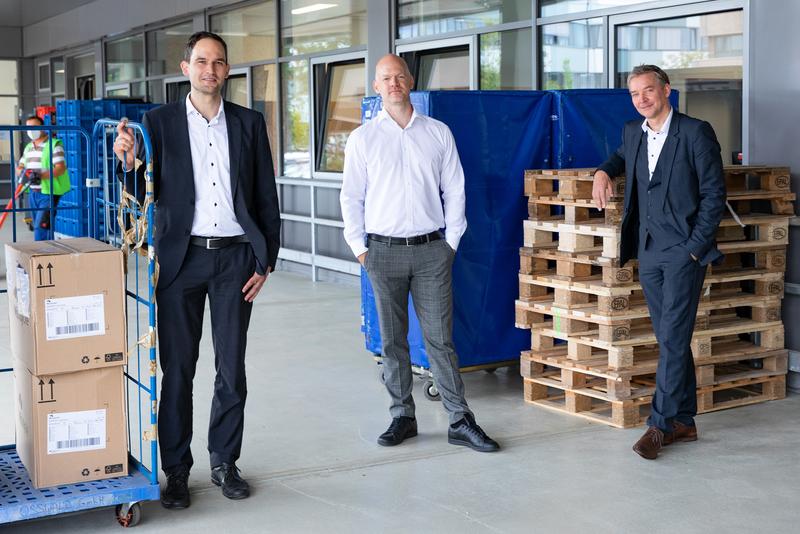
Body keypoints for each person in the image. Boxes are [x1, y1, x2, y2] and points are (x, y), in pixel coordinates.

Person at [113, 31, 280, 507]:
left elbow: (266, 197)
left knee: (231, 369)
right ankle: (178, 471)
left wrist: (265, 259)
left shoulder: (249, 124)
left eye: (219, 62)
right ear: (185, 67)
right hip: (181, 260)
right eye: (202, 61)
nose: (211, 70)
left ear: (228, 70)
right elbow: (139, 177)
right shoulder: (158, 122)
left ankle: (225, 462)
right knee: (179, 370)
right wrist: (128, 158)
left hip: (235, 260)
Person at [340, 54, 499, 453]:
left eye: (399, 76)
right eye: (384, 78)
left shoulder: (438, 132)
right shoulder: (363, 139)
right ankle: (402, 416)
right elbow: (351, 197)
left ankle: (460, 419)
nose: (393, 83)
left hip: (432, 251)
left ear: (410, 81)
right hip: (382, 252)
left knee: (440, 340)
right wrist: (360, 249)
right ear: (375, 87)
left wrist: (451, 243)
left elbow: (456, 190)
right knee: (392, 341)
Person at [593, 64, 726, 460]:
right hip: (648, 249)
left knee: (671, 335)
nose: (642, 99)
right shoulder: (632, 132)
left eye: (648, 90)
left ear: (666, 90)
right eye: (635, 94)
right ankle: (684, 421)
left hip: (684, 251)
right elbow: (620, 157)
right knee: (671, 336)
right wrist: (603, 171)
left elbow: (714, 194)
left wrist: (694, 248)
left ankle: (660, 424)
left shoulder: (695, 132)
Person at [16, 115, 71, 239]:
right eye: (28, 128)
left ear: (43, 128)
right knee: (40, 226)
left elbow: (60, 168)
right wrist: (23, 173)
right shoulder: (28, 147)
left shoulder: (54, 145)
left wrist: (40, 175)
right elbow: (20, 166)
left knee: (42, 227)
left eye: (35, 127)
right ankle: (46, 254)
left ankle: (41, 256)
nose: (31, 130)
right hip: (33, 193)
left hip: (48, 192)